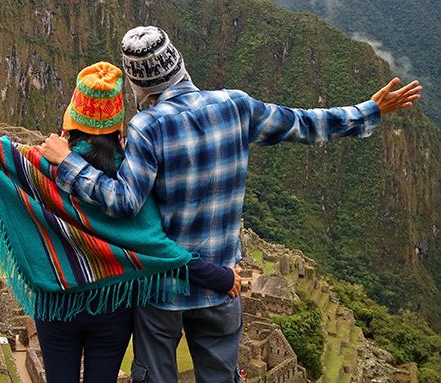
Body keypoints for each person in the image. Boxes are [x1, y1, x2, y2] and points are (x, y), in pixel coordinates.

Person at [39, 26, 423, 383]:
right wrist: (368, 111)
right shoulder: (236, 106)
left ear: (138, 86)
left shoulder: (148, 127)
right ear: (181, 65)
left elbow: (123, 202)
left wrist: (68, 163)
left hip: (162, 292)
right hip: (222, 284)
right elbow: (304, 124)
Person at [0, 62, 239, 383]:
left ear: (71, 120)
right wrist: (220, 277)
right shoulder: (130, 176)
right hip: (111, 307)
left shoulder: (38, 165)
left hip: (55, 304)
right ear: (118, 128)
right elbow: (157, 248)